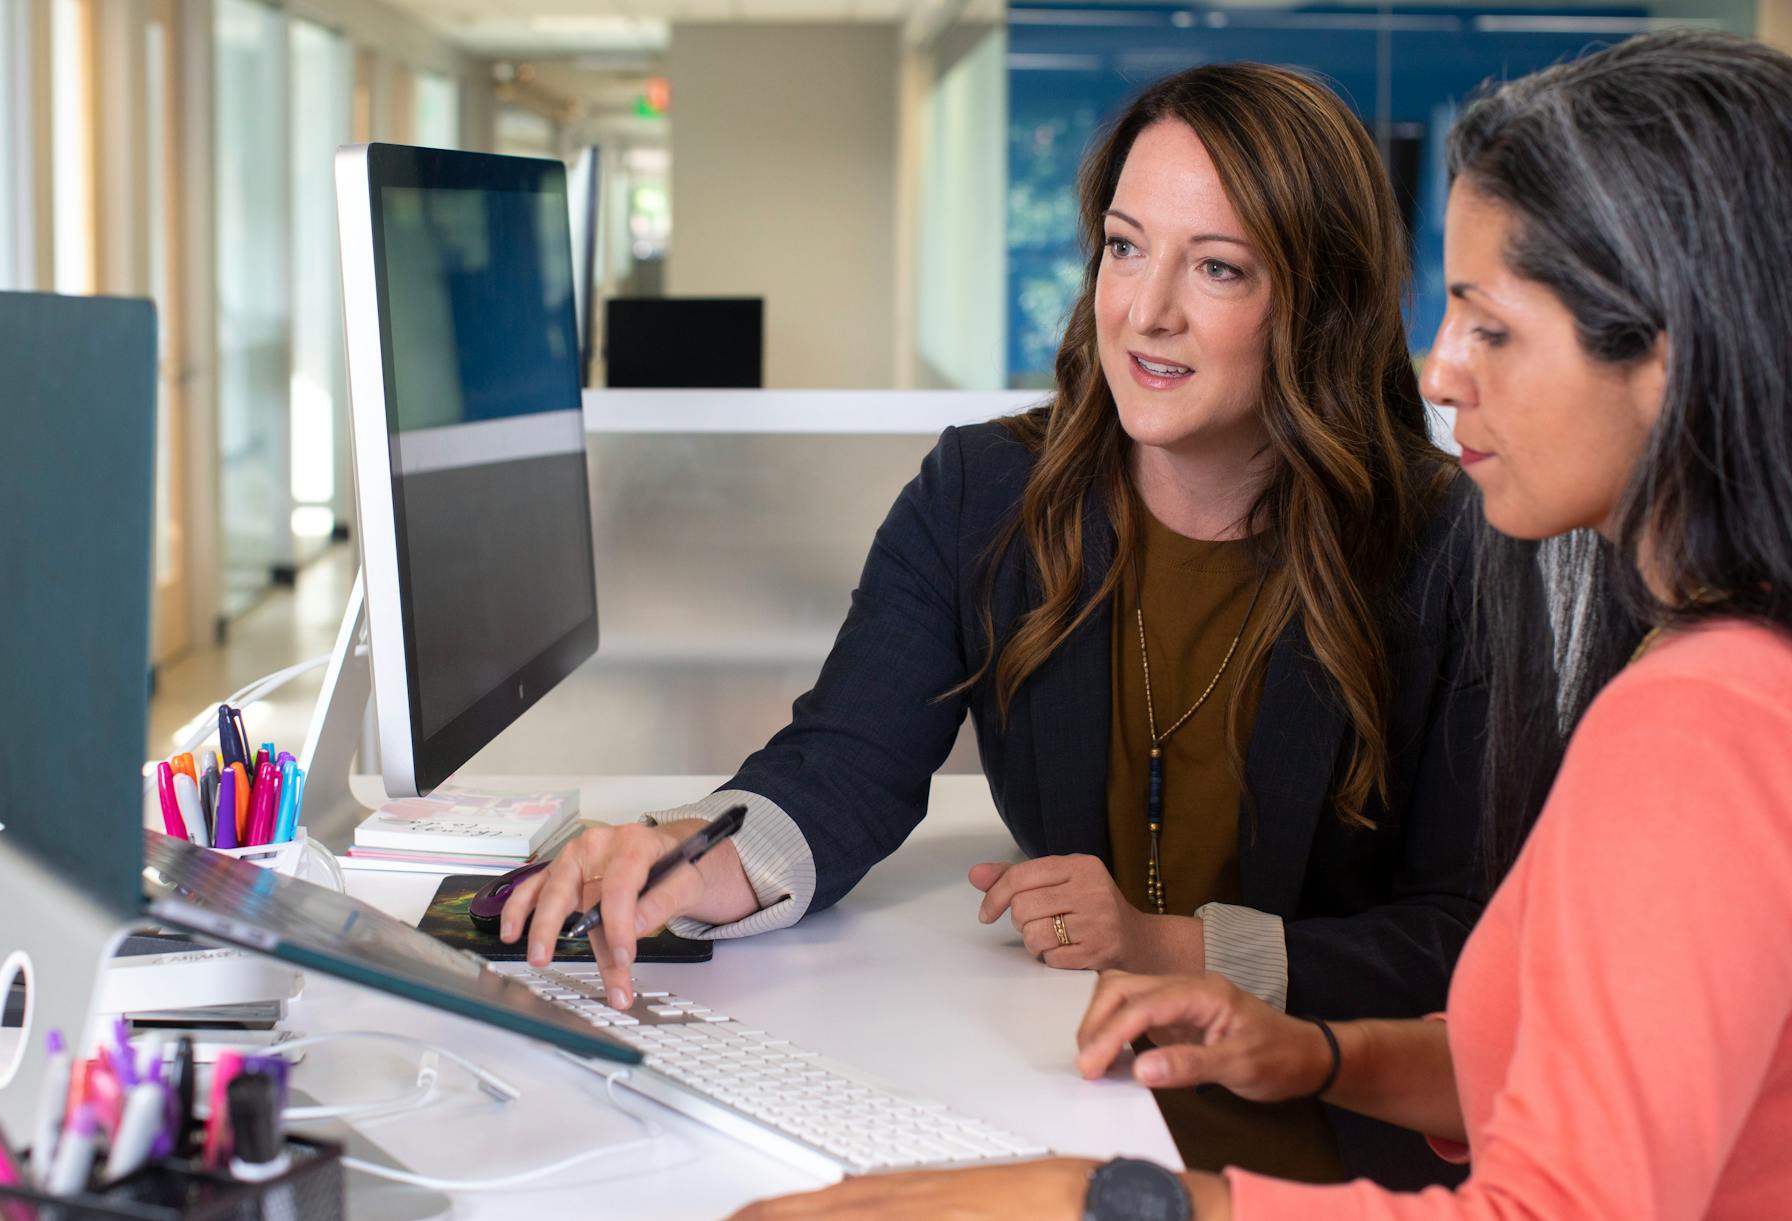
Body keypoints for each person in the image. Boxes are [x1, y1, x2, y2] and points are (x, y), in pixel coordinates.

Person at [733, 28, 1792, 1220]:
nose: (1440, 373)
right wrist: (1314, 1052)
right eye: (1123, 250)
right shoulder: (1701, 669)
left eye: (1490, 325)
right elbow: (1552, 1062)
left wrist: (1089, 1199)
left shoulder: (1690, 712)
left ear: (1669, 358)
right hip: (1170, 1073)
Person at [505, 62, 1489, 1184]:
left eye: (1215, 268)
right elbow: (843, 761)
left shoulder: (1443, 548)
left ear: (1318, 304)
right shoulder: (985, 493)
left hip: (1334, 1140)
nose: (1143, 311)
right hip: (1064, 1094)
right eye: (1124, 247)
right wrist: (686, 856)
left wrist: (1170, 945)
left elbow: (1464, 935)